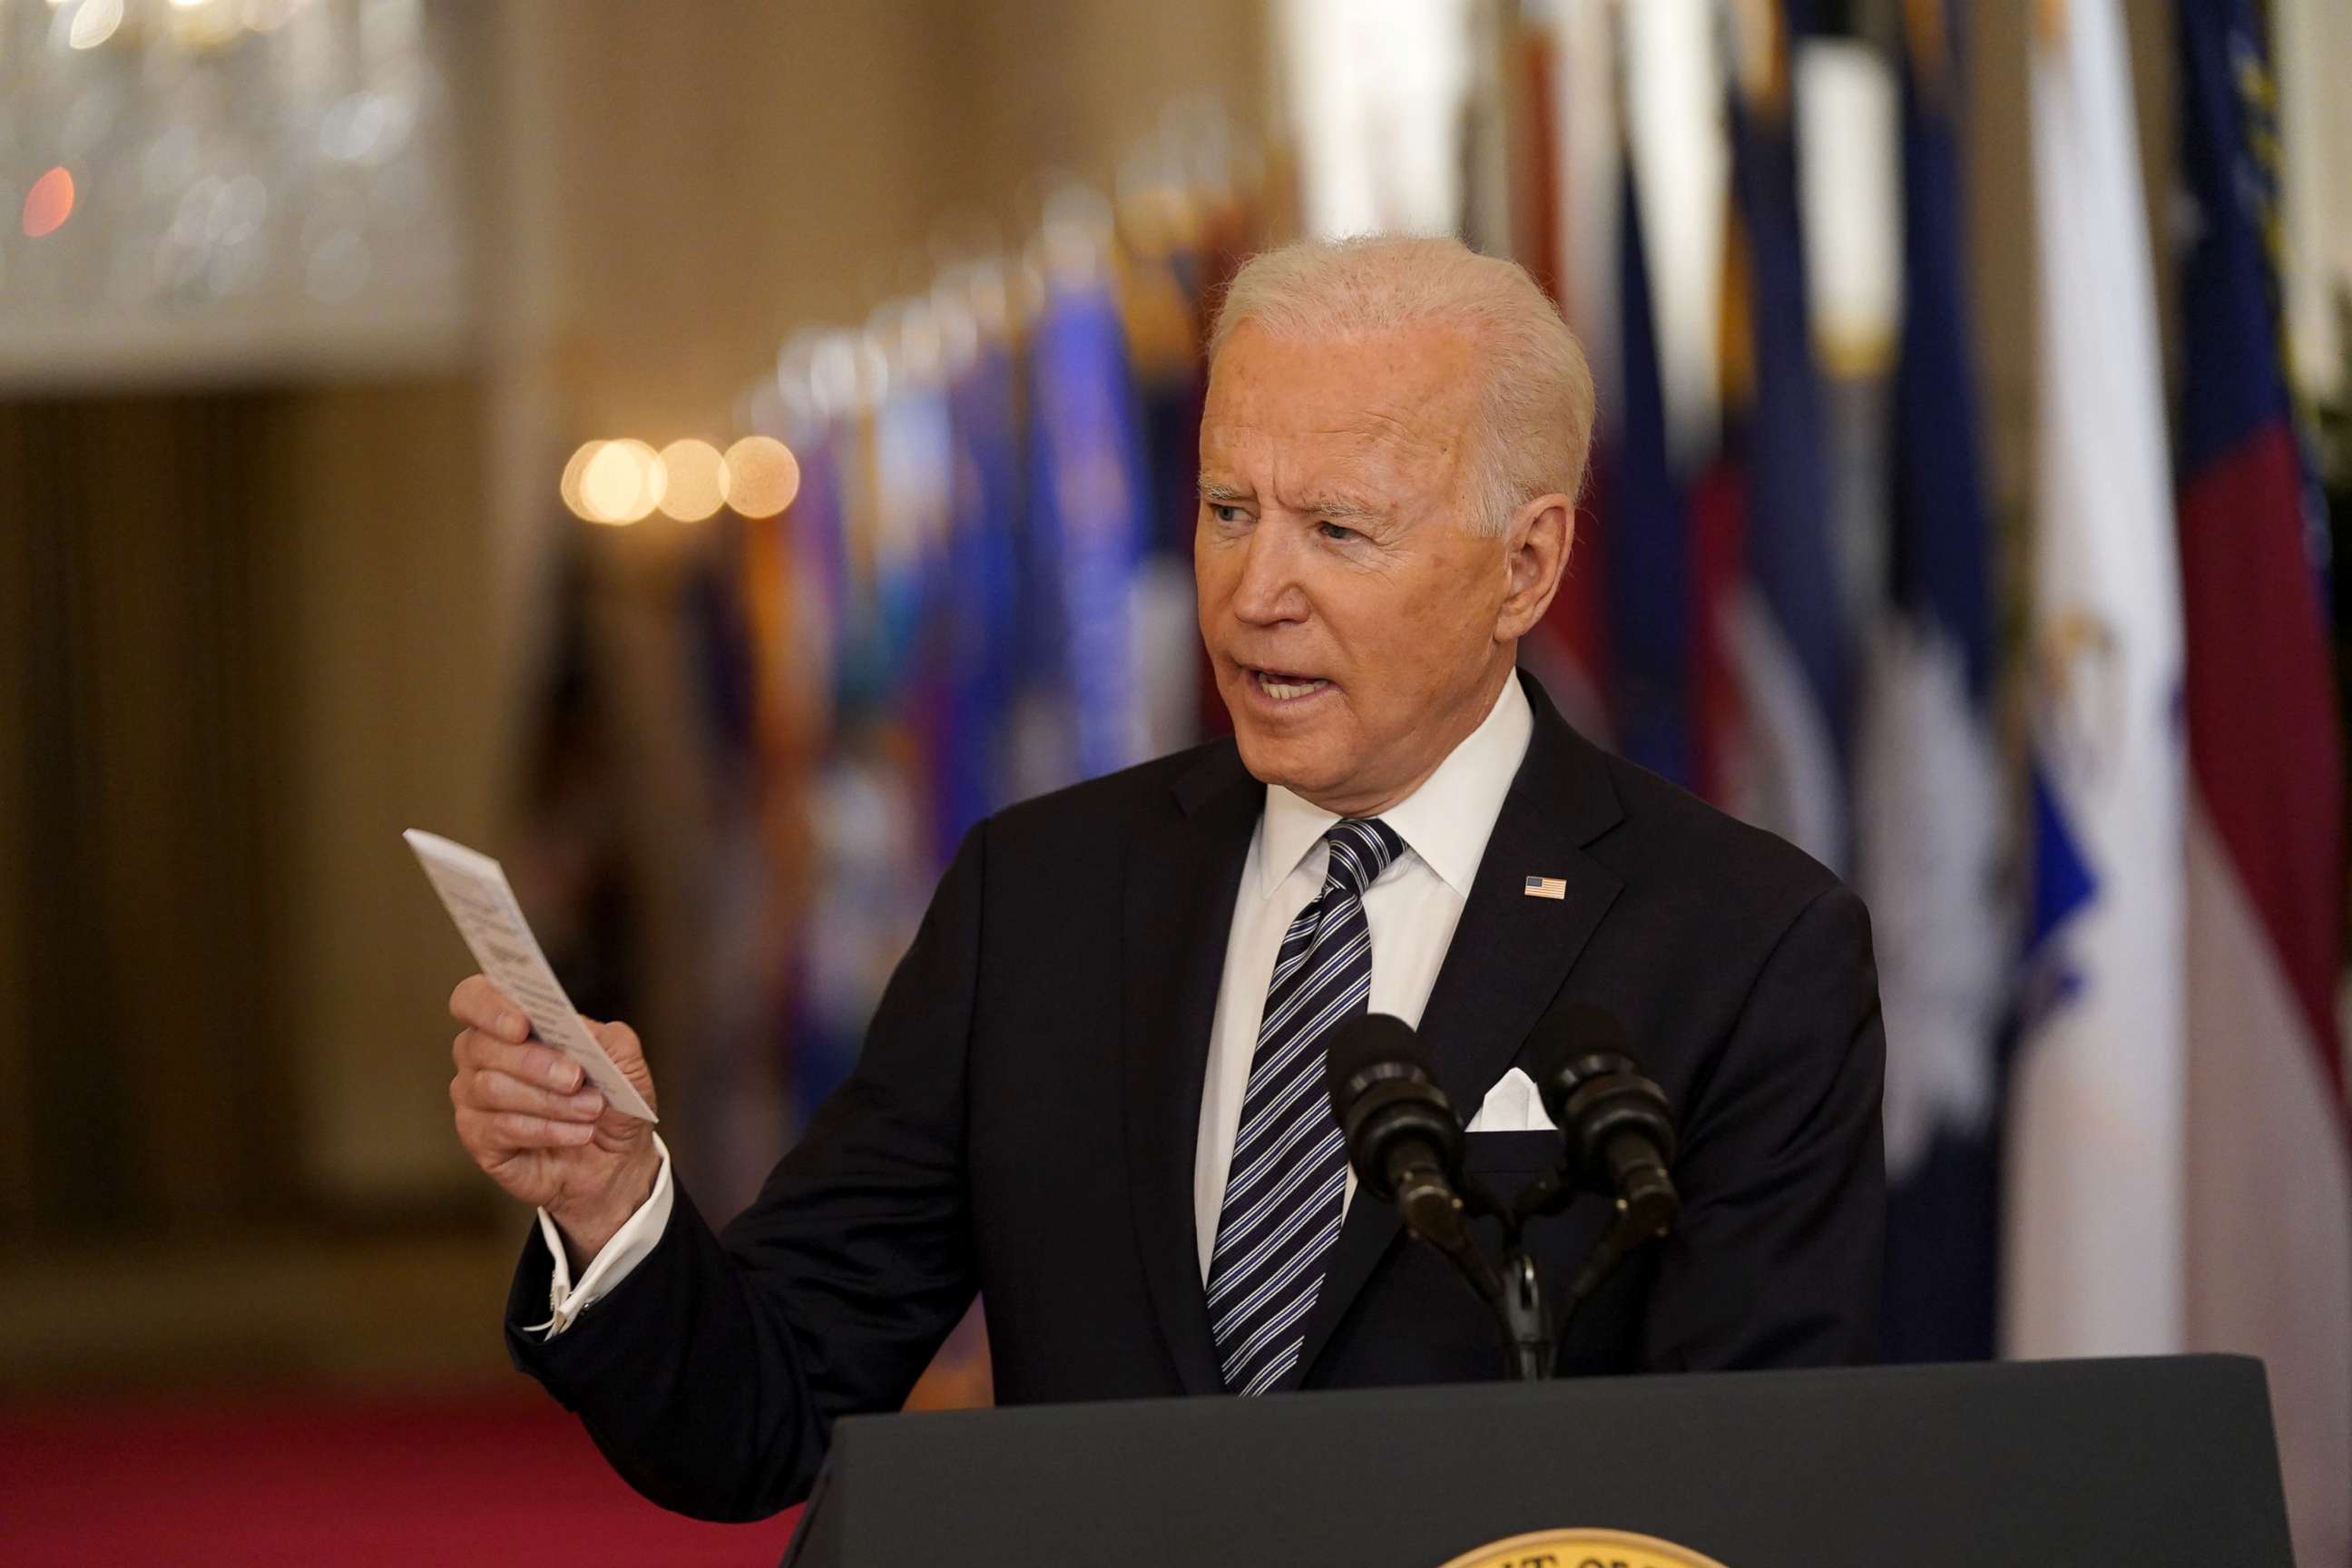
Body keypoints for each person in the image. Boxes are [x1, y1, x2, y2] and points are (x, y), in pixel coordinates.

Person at [446, 235, 1885, 1522]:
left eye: (1336, 529)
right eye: (1226, 508)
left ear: (1526, 566)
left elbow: (1745, 1492)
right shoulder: (1043, 899)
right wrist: (615, 1200)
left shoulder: (1744, 948)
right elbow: (760, 1417)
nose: (1255, 589)